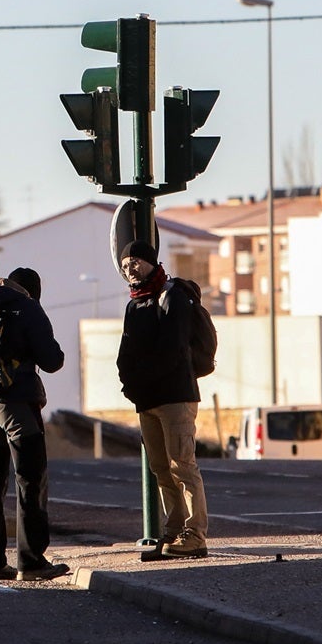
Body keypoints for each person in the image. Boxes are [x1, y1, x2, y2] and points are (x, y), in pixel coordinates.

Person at [0, 266, 69, 581]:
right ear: (32, 291)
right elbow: (53, 361)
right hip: (17, 405)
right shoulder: (27, 308)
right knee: (30, 481)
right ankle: (31, 561)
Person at [115, 239, 210, 560]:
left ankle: (195, 535)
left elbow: (172, 349)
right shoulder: (135, 303)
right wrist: (130, 385)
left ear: (151, 263)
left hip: (175, 396)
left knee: (182, 466)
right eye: (126, 264)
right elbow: (125, 353)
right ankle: (173, 530)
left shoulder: (173, 296)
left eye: (136, 262)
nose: (130, 269)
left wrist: (142, 380)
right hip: (146, 399)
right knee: (161, 469)